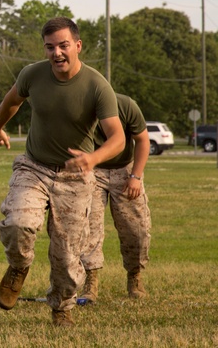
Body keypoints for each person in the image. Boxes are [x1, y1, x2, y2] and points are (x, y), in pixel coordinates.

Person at [0, 17, 126, 327]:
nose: (57, 53)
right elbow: (12, 100)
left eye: (63, 46)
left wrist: (93, 159)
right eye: (50, 47)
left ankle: (62, 306)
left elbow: (117, 138)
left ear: (78, 46)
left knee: (66, 255)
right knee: (18, 224)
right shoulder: (32, 75)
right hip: (34, 167)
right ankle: (18, 267)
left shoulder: (96, 85)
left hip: (75, 177)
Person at [80, 93, 152, 303]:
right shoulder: (80, 106)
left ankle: (135, 276)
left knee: (135, 228)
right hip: (93, 170)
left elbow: (143, 140)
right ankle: (90, 281)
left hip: (125, 169)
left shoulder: (126, 105)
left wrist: (136, 177)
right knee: (89, 227)